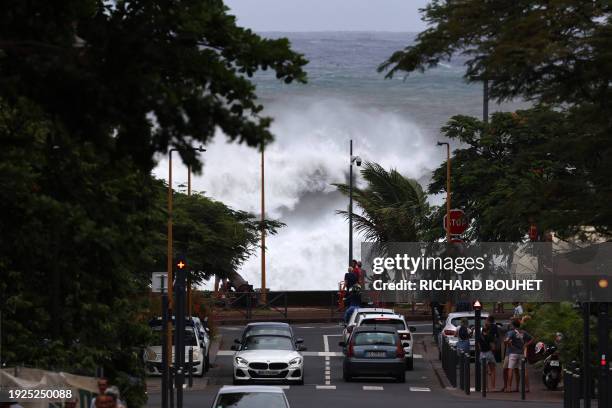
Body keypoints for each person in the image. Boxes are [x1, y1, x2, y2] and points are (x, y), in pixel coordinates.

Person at [503, 318, 532, 392]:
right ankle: (527, 387)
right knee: (524, 371)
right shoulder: (523, 332)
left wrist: (506, 342)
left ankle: (509, 387)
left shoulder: (512, 332)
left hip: (513, 353)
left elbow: (507, 340)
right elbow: (532, 338)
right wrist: (526, 345)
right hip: (521, 353)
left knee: (510, 369)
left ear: (513, 325)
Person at [478, 320, 497, 390]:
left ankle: (486, 387)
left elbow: (479, 347)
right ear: (488, 330)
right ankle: (493, 387)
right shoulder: (490, 337)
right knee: (493, 370)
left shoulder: (479, 337)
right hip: (489, 353)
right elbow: (493, 347)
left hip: (482, 354)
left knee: (484, 372)